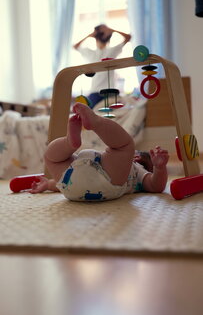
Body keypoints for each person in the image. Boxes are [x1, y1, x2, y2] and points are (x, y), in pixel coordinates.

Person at [30, 102, 169, 201]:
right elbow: (155, 185)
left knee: (51, 158)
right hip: (74, 186)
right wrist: (159, 168)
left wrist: (159, 168)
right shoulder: (129, 173)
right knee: (122, 147)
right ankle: (76, 137)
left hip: (71, 188)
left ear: (136, 158)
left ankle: (72, 140)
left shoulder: (137, 169)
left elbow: (155, 185)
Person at [73, 24, 131, 108]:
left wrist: (112, 30)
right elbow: (75, 46)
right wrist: (90, 35)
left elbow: (128, 37)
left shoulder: (112, 51)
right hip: (95, 91)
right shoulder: (91, 53)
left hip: (109, 92)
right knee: (87, 111)